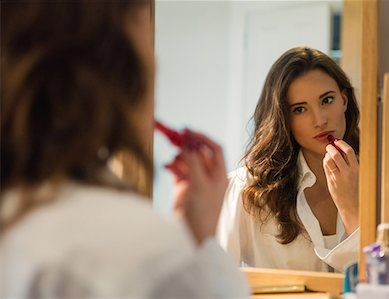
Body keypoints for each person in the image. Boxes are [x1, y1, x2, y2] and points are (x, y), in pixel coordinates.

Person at [0, 1, 249, 298]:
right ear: (118, 68)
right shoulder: (150, 259)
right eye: (149, 45)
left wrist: (192, 235)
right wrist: (196, 252)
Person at [217, 47, 360, 272]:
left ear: (344, 100)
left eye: (327, 100)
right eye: (300, 109)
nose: (320, 120)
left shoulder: (380, 179)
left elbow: (387, 282)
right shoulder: (246, 190)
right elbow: (214, 284)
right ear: (283, 119)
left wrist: (353, 210)